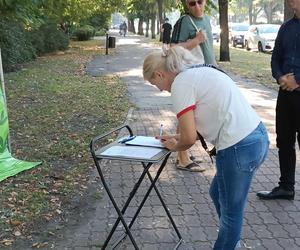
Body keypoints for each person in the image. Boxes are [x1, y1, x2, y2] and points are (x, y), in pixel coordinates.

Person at [143, 46, 269, 249]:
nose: (158, 88)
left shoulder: (180, 84)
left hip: (237, 148)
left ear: (160, 73)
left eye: (154, 82)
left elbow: (189, 139)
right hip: (256, 138)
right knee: (217, 194)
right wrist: (176, 137)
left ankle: (228, 244)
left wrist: (175, 146)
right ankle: (232, 243)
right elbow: (200, 123)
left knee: (230, 216)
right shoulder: (198, 72)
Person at [257, 0, 300, 201]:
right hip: (285, 94)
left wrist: (297, 80)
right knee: (284, 140)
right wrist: (280, 76)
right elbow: (275, 57)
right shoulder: (286, 27)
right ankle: (286, 187)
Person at [170, 0, 216, 172]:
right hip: (191, 74)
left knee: (194, 114)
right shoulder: (184, 21)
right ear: (186, 6)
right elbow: (173, 48)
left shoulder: (207, 19)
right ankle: (182, 157)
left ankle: (182, 152)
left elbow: (209, 48)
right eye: (192, 3)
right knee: (188, 113)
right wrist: (195, 41)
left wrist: (216, 66)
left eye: (200, 2)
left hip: (207, 71)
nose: (197, 6)